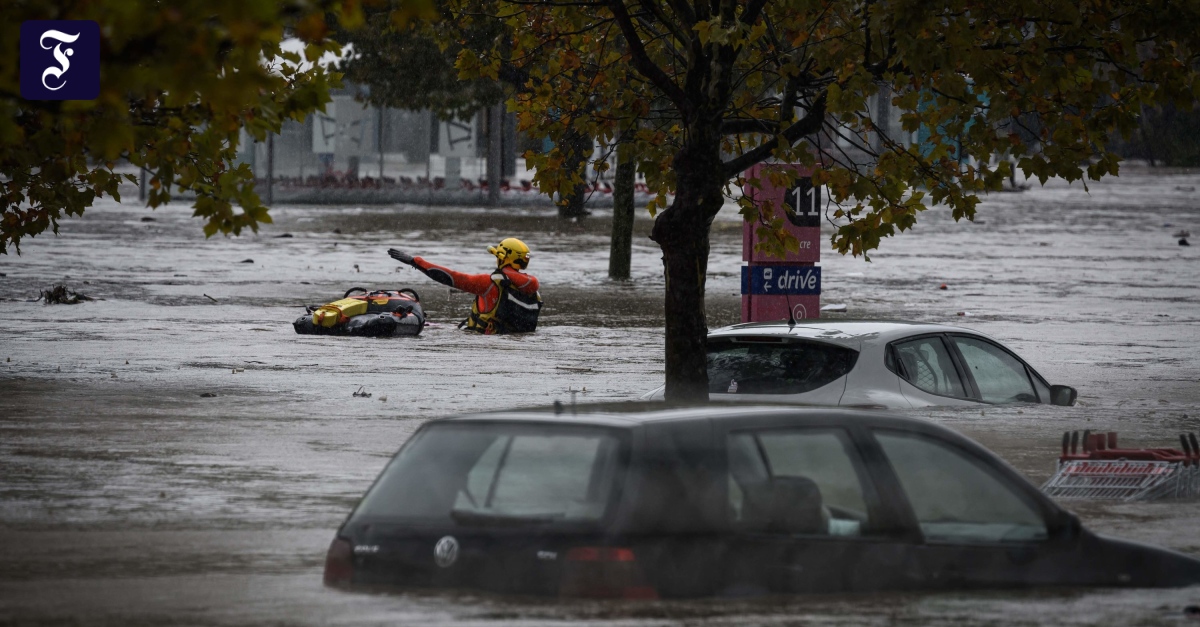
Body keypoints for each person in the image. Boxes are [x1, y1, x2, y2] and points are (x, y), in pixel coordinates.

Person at [387, 238, 543, 334]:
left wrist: (416, 262)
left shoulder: (488, 283)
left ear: (502, 257)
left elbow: (451, 277)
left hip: (485, 342)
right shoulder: (534, 291)